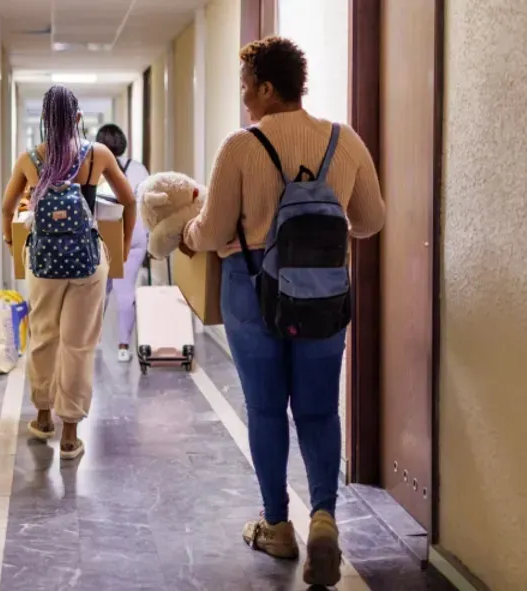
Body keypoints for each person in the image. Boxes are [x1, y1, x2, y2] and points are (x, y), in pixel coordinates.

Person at [182, 37, 385, 586]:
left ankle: (277, 525)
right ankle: (323, 517)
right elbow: (370, 221)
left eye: (246, 83)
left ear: (267, 87)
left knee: (268, 410)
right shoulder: (345, 143)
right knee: (319, 410)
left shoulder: (242, 147)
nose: (244, 94)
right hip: (322, 294)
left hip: (253, 296)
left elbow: (214, 232)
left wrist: (186, 230)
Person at [1, 85, 137, 459]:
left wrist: (13, 246)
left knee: (44, 337)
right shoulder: (98, 155)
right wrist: (122, 248)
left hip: (43, 263)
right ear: (78, 119)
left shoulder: (30, 159)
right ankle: (70, 435)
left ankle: (43, 417)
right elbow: (128, 200)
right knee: (79, 345)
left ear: (44, 121)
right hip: (88, 262)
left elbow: (7, 206)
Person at [94, 123, 150, 362]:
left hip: (106, 233)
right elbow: (149, 204)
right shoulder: (139, 169)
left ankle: (94, 341)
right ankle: (123, 346)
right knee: (125, 291)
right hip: (135, 234)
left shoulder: (94, 169)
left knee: (99, 291)